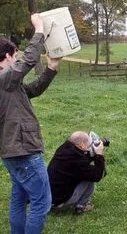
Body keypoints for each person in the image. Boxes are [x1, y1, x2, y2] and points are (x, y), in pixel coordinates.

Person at [0, 14, 61, 234]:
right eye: (15, 56)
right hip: (23, 150)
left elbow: (33, 90)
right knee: (42, 202)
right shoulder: (4, 78)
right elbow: (28, 60)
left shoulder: (8, 84)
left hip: (11, 152)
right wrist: (39, 31)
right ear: (7, 57)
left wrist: (51, 68)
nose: (17, 61)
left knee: (20, 197)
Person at [48, 131, 106, 215]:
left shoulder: (65, 148)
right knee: (89, 177)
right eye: (89, 143)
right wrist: (99, 155)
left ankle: (75, 203)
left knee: (87, 173)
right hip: (59, 203)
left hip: (50, 198)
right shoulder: (77, 160)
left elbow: (82, 159)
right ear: (82, 144)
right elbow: (97, 176)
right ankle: (81, 206)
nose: (91, 145)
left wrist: (93, 154)